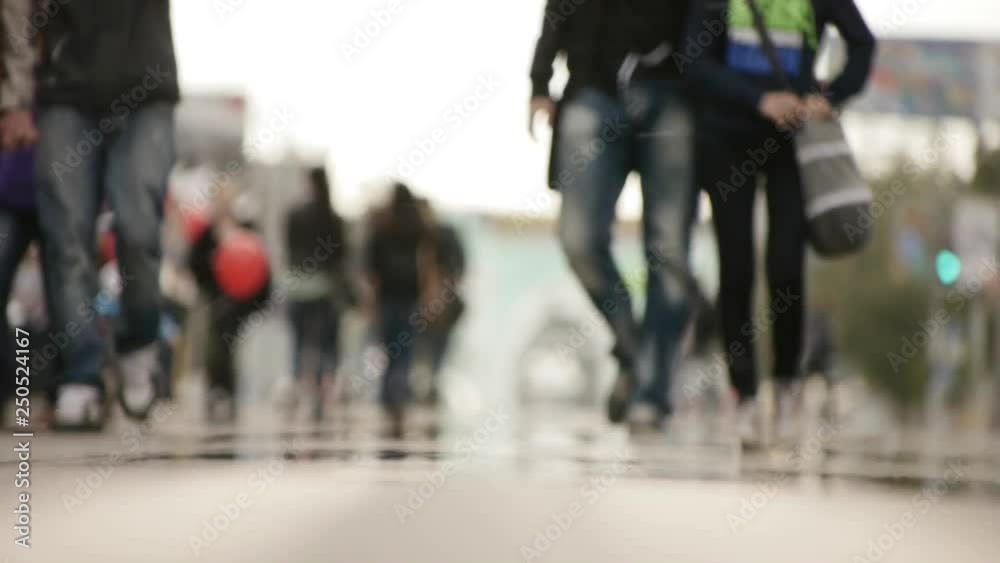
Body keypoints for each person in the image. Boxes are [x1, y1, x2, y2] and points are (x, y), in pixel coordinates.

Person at [681, 0, 875, 442]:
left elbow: (862, 43)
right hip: (726, 139)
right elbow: (693, 62)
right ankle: (744, 395)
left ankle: (787, 387)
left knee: (786, 266)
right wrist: (759, 100)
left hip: (793, 144)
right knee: (736, 268)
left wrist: (831, 97)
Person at [530, 0, 697, 425]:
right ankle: (636, 351)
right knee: (578, 240)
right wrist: (539, 82)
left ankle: (652, 393)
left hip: (673, 92)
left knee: (669, 252)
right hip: (594, 87)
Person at [26, 0, 180, 428]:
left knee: (138, 227)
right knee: (67, 240)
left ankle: (139, 344)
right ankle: (82, 374)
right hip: (63, 87)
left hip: (146, 84)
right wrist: (17, 98)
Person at [187, 185, 271, 423]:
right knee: (215, 346)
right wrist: (213, 263)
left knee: (228, 346)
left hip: (239, 301)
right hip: (214, 298)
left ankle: (227, 392)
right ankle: (216, 390)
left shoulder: (247, 227)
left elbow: (260, 265)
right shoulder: (207, 233)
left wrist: (259, 301)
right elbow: (194, 263)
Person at [364, 183, 433, 437]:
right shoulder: (418, 228)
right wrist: (427, 297)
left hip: (387, 298)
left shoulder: (382, 227)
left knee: (389, 351)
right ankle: (399, 396)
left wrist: (371, 304)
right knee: (405, 352)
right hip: (410, 297)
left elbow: (372, 272)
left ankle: (388, 397)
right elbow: (426, 264)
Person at [284, 167, 351, 421]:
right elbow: (341, 256)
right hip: (326, 288)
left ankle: (298, 385)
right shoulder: (333, 217)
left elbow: (289, 249)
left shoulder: (295, 215)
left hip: (299, 286)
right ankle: (323, 387)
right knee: (325, 343)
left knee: (299, 341)